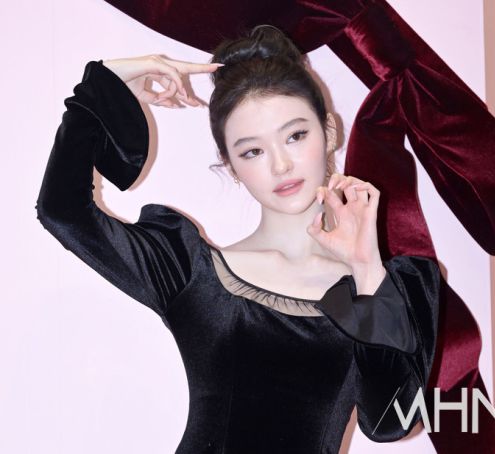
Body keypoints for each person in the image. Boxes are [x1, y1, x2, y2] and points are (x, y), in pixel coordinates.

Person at [36, 25, 440, 453]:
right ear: (230, 165)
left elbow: (390, 422)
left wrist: (366, 268)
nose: (281, 165)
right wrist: (107, 83)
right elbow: (62, 211)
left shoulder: (388, 287)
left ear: (330, 132)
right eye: (253, 151)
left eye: (296, 135)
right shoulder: (190, 270)